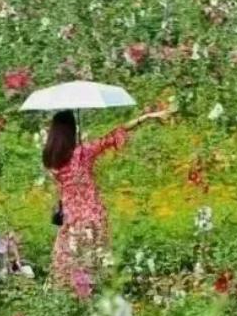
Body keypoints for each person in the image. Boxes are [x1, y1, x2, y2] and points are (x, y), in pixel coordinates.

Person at [43, 106, 170, 296]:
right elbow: (113, 135)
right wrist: (146, 117)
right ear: (72, 130)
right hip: (92, 214)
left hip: (71, 218)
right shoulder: (83, 153)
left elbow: (59, 189)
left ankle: (73, 297)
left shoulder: (52, 160)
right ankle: (94, 298)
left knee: (70, 261)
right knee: (94, 262)